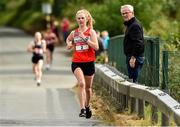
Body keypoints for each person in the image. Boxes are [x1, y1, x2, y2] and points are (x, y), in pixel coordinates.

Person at [66, 9, 99, 118]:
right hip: (77, 62)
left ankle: (87, 105)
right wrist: (69, 44)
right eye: (78, 18)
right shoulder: (73, 33)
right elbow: (68, 39)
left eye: (82, 18)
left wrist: (85, 38)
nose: (80, 20)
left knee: (88, 88)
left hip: (89, 62)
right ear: (76, 20)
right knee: (81, 84)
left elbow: (96, 47)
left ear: (87, 19)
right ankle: (82, 109)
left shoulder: (91, 32)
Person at [120, 4, 145, 83]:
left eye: (126, 13)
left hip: (134, 57)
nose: (124, 15)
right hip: (132, 56)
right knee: (132, 80)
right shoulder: (130, 24)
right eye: (123, 13)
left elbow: (139, 43)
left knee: (133, 82)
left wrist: (133, 58)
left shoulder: (134, 25)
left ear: (132, 13)